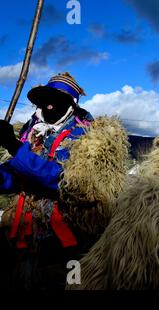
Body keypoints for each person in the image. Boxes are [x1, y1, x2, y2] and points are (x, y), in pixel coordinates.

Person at [0, 72, 129, 289]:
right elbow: (14, 178)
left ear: (71, 104)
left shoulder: (90, 137)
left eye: (56, 99)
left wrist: (14, 147)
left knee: (69, 285)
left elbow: (66, 181)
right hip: (25, 234)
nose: (48, 105)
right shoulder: (30, 133)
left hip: (69, 241)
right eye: (44, 99)